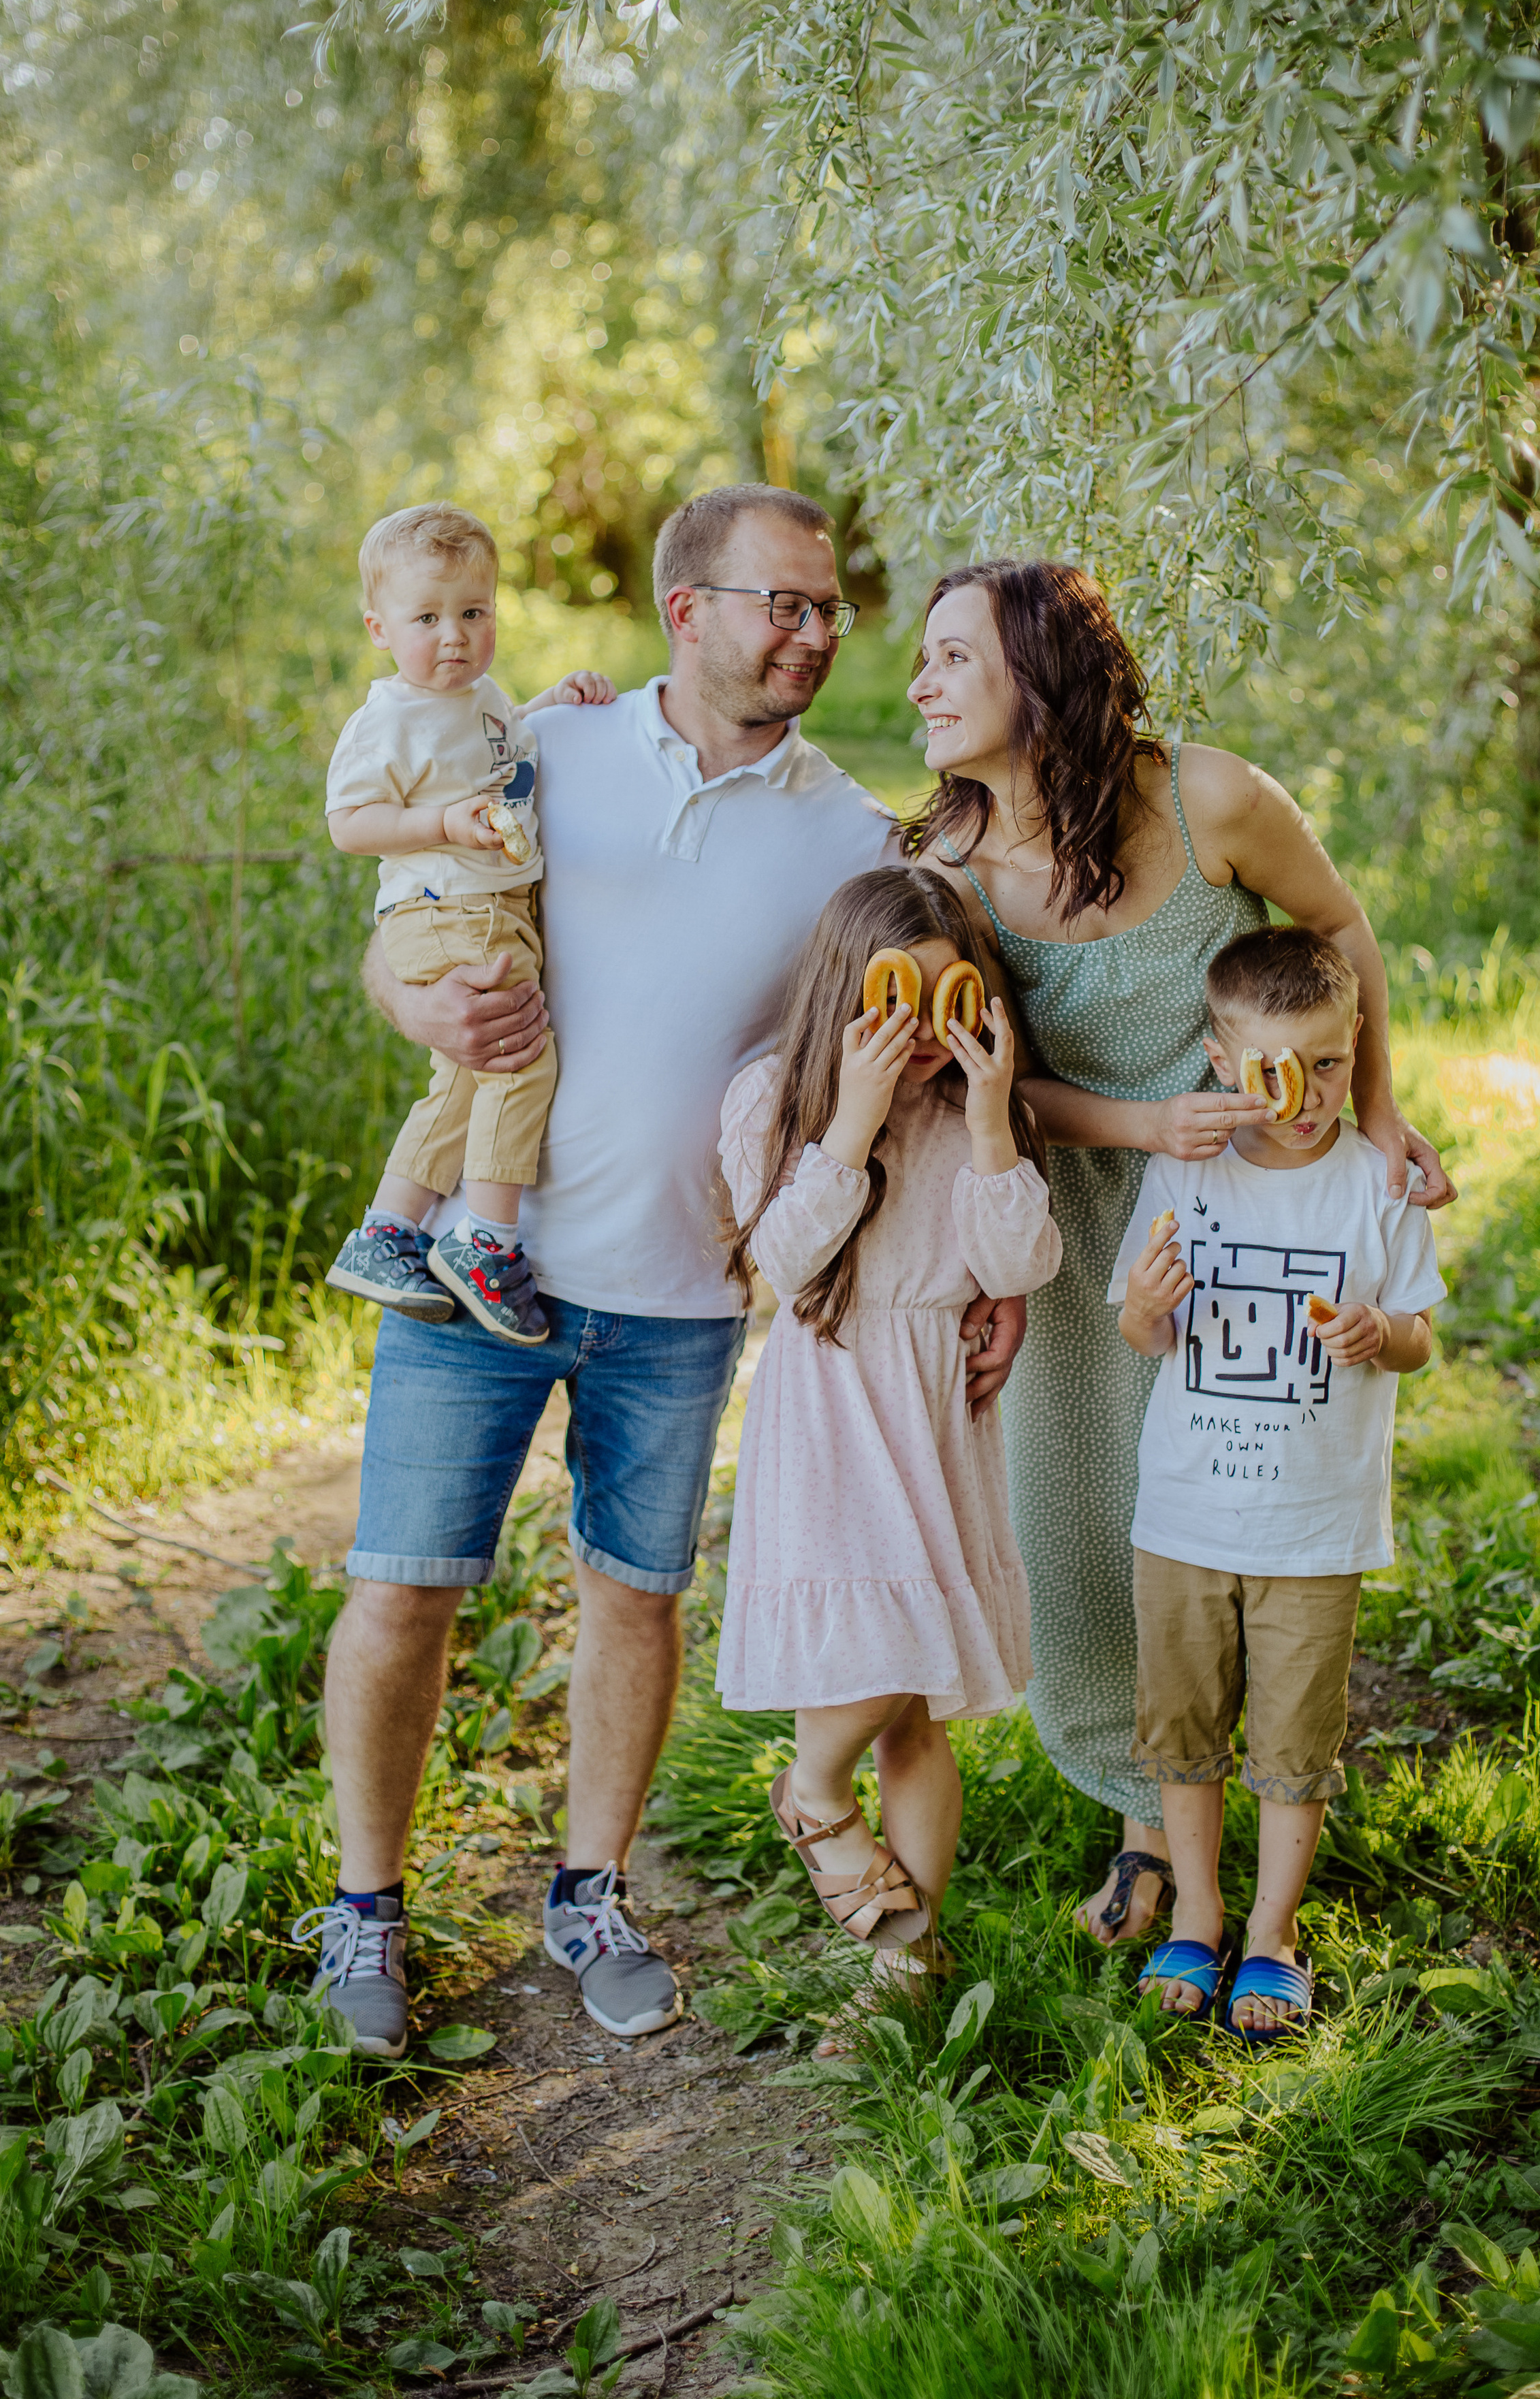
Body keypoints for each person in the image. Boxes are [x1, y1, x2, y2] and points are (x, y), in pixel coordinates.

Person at [298, 485, 1026, 2057]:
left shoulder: (850, 834)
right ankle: (364, 1908)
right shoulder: (536, 749)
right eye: (783, 603)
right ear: (683, 608)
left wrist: (998, 1256)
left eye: (828, 609)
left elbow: (939, 1009)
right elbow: (399, 916)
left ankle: (590, 1889)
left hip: (682, 1296)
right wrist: (413, 1008)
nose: (815, 634)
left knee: (633, 1597)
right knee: (403, 1583)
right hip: (475, 1262)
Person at [905, 560, 1456, 1952]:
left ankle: (1229, 1805)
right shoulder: (944, 868)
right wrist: (1139, 1121)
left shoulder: (1206, 800)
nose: (917, 685)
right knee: (1078, 1532)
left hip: (1251, 1212)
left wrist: (1377, 1112)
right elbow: (979, 1086)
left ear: (1038, 682)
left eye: (951, 659)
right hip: (1073, 1218)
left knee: (1233, 1507)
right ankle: (1145, 1822)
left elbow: (1334, 929)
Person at [717, 868, 1062, 2014]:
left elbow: (1017, 1268)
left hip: (936, 1416)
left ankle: (905, 1971)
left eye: (944, 997)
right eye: (891, 1001)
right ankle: (814, 1785)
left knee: (915, 1705)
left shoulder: (976, 1116)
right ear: (844, 993)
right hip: (830, 1420)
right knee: (878, 1646)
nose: (919, 1033)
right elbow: (778, 1264)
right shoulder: (772, 1099)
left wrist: (986, 1118)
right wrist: (855, 1121)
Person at [1107, 925, 1443, 2040]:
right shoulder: (1181, 1171)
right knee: (1183, 1730)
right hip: (1187, 1517)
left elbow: (1422, 1337)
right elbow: (1143, 1333)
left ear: (1357, 1049)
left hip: (1316, 1526)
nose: (1304, 1096)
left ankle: (1272, 1934)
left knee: (1295, 1747)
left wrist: (1379, 1333)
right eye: (1270, 1069)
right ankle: (1195, 1916)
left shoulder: (1376, 1182)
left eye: (1331, 1064)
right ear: (1219, 1061)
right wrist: (1149, 1307)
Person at [323, 501, 614, 1346]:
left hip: (490, 907)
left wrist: (553, 702)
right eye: (427, 619)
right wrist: (444, 825)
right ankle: (485, 1240)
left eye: (473, 613)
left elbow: (505, 752)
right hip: (450, 907)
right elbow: (349, 824)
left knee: (461, 1077)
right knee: (520, 1059)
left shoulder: (480, 698)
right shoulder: (386, 719)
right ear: (380, 628)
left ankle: (388, 1231)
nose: (453, 636)